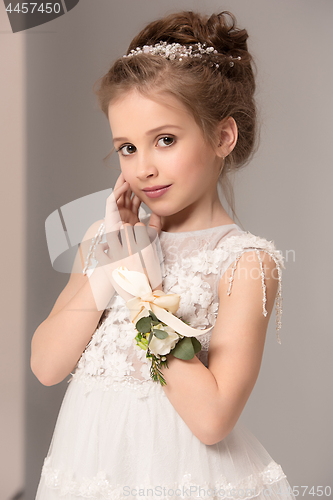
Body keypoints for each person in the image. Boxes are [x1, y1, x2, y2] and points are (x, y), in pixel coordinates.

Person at [32, 9, 296, 500]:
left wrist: (142, 296)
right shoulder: (107, 238)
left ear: (222, 136)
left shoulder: (244, 262)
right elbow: (47, 364)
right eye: (127, 148)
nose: (144, 167)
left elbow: (213, 419)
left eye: (165, 140)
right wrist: (113, 264)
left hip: (183, 478)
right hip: (88, 473)